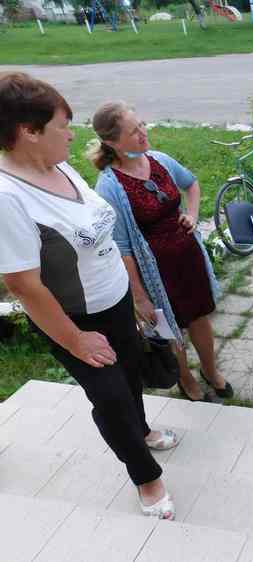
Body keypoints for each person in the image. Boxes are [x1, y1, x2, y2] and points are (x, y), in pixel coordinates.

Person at [0, 72, 177, 519]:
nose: (72, 134)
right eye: (62, 125)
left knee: (131, 376)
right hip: (75, 319)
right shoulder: (7, 197)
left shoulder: (57, 165)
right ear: (29, 132)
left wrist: (132, 294)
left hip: (115, 299)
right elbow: (22, 284)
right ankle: (146, 478)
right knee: (111, 399)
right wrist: (75, 340)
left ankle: (143, 430)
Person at [89, 101, 231, 402]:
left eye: (141, 124)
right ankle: (186, 380)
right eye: (133, 131)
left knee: (200, 318)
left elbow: (191, 184)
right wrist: (139, 296)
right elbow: (122, 247)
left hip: (188, 259)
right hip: (155, 273)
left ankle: (210, 371)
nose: (143, 133)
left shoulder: (160, 160)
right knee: (170, 332)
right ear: (112, 143)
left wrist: (192, 214)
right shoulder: (109, 187)